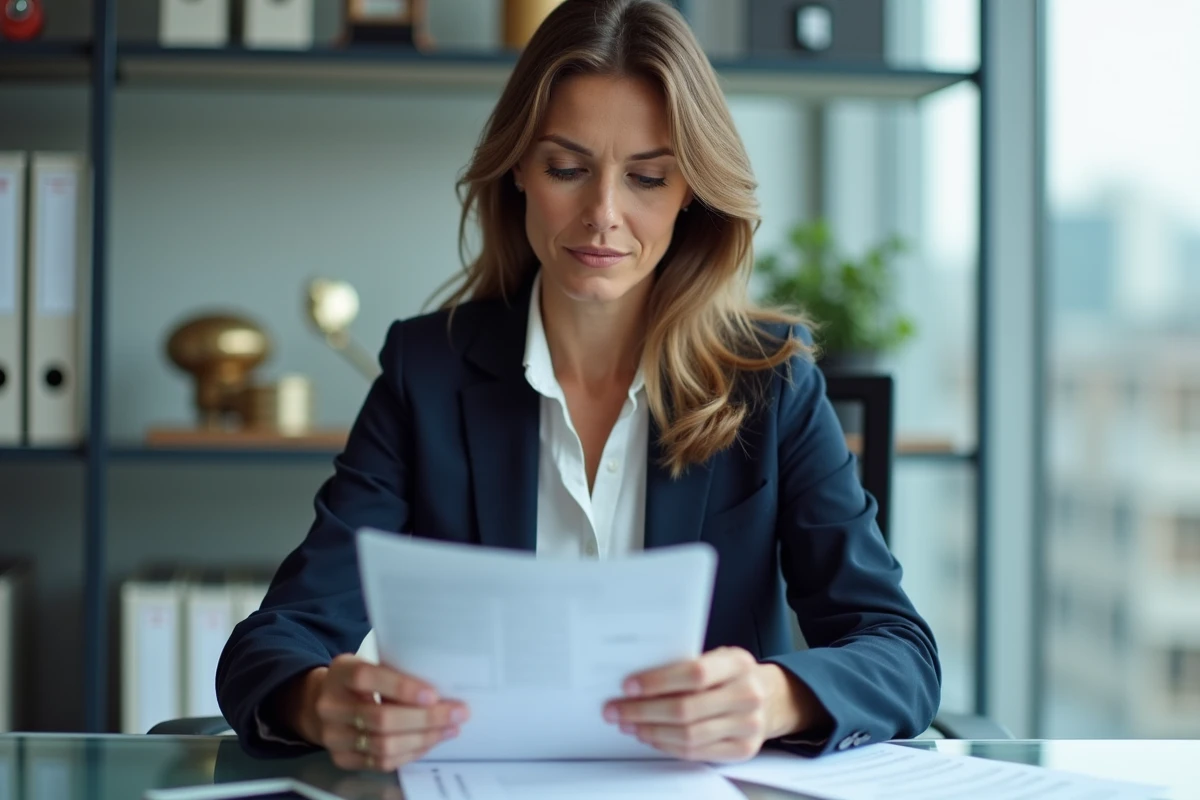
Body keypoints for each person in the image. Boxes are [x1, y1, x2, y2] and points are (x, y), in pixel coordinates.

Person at [216, 0, 940, 772]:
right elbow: (274, 642)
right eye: (567, 168)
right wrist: (319, 701)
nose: (603, 215)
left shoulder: (772, 383)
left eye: (648, 177)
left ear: (690, 190)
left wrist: (771, 698)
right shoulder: (425, 372)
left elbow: (900, 653)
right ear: (519, 168)